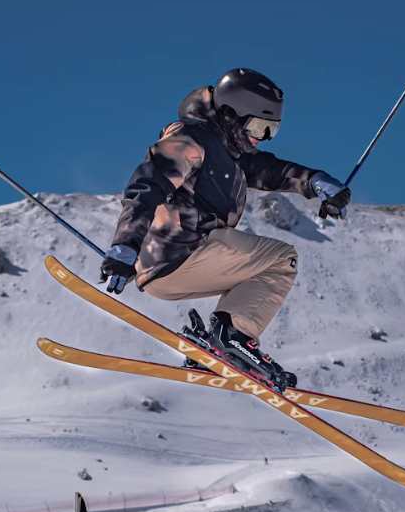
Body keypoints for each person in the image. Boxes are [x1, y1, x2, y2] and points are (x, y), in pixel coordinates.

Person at [99, 68, 350, 391]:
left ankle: (217, 348)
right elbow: (147, 186)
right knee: (281, 260)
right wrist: (124, 246)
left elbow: (270, 170)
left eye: (272, 129)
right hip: (181, 251)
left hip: (167, 271)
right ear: (232, 114)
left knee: (253, 272)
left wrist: (315, 181)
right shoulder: (191, 139)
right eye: (259, 126)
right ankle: (231, 337)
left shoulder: (231, 151)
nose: (263, 137)